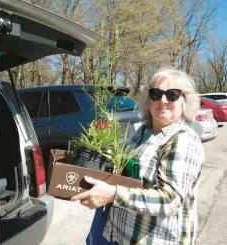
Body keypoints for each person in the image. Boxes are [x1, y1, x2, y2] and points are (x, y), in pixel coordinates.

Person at [71, 66, 205, 245]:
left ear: (184, 101)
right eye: (156, 94)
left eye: (172, 94)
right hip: (118, 234)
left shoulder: (182, 139)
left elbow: (169, 199)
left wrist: (112, 194)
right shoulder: (142, 131)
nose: (163, 100)